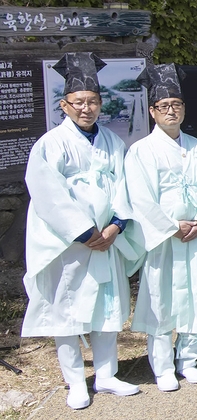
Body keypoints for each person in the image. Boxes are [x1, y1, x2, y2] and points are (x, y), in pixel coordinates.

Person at [21, 52, 140, 409]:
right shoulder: (50, 143)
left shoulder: (112, 142)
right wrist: (84, 231)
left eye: (92, 101)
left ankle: (105, 375)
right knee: (67, 311)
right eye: (78, 102)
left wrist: (116, 226)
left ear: (101, 104)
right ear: (64, 105)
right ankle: (75, 382)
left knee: (106, 306)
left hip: (107, 239)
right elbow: (46, 191)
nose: (86, 108)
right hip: (70, 243)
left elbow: (124, 186)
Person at [127, 63, 197, 391]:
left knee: (194, 296)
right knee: (160, 298)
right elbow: (141, 198)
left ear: (183, 109)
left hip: (195, 235)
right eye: (164, 106)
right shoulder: (141, 151)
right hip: (163, 239)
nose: (171, 111)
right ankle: (162, 366)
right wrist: (170, 226)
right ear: (152, 111)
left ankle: (189, 360)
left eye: (176, 105)